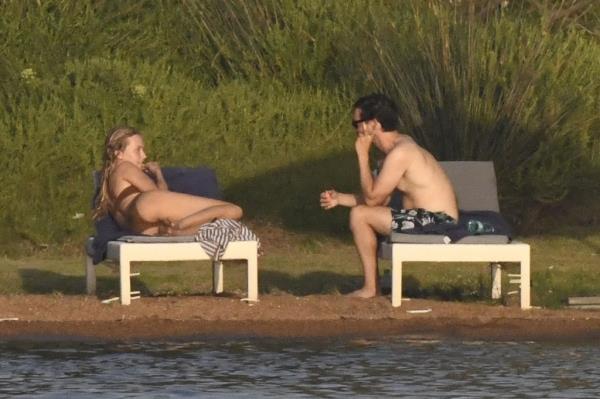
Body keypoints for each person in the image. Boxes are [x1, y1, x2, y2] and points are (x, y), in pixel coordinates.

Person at [320, 94, 458, 298]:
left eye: (356, 123)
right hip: (424, 218)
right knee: (361, 213)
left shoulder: (401, 153)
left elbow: (372, 201)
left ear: (373, 124)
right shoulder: (398, 149)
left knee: (359, 215)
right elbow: (377, 200)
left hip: (437, 220)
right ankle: (371, 286)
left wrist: (362, 155)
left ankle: (371, 288)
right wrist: (339, 199)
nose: (356, 130)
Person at [93, 126, 242, 236]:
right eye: (138, 150)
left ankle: (178, 228)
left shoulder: (108, 181)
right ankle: (181, 225)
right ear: (118, 153)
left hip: (142, 227)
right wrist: (158, 174)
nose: (144, 156)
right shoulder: (125, 167)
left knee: (225, 221)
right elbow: (160, 194)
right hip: (147, 204)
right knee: (234, 210)